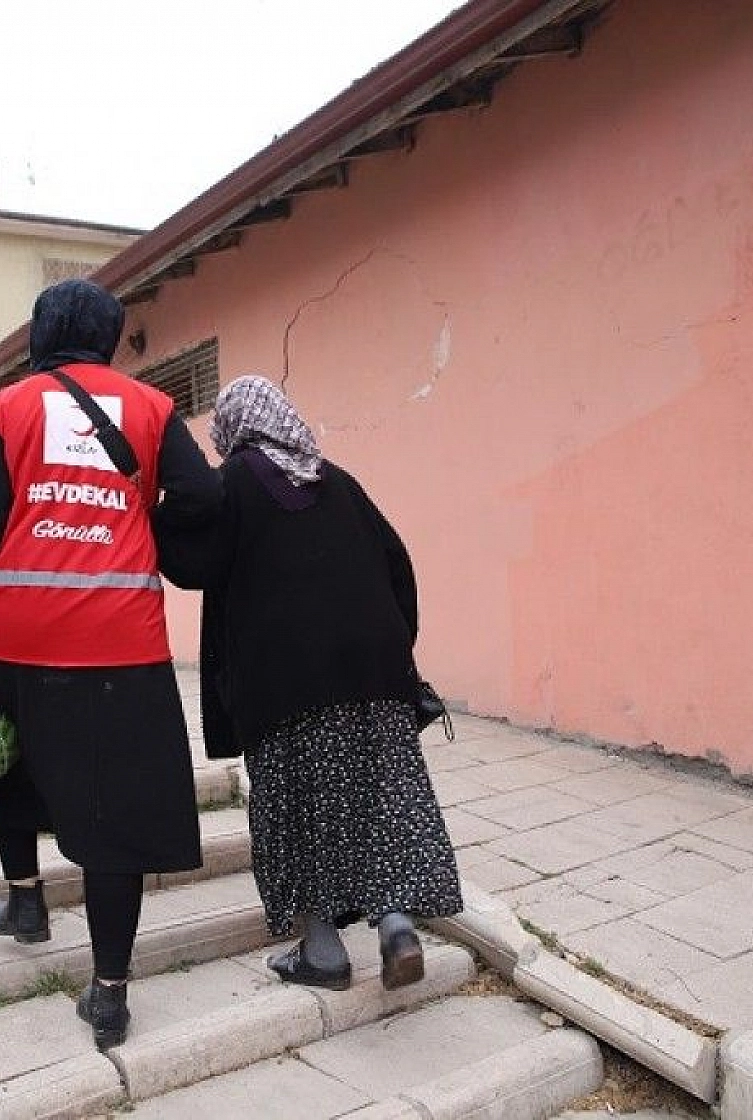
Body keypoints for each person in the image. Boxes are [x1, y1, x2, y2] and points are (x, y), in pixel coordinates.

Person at [0, 278, 221, 1050]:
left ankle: (25, 901)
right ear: (112, 334)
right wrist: (148, 530)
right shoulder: (151, 409)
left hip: (8, 641)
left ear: (41, 333)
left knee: (2, 768)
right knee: (113, 814)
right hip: (119, 645)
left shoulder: (12, 409)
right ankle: (109, 992)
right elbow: (202, 499)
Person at [162, 374, 462, 992]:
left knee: (298, 808)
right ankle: (396, 925)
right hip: (374, 675)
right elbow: (398, 566)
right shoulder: (339, 480)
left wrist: (155, 509)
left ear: (234, 427)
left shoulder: (236, 482)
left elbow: (193, 566)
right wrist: (390, 649)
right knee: (381, 800)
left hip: (285, 683)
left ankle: (323, 951)